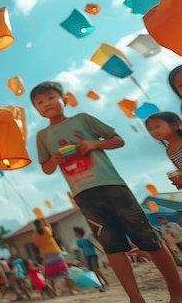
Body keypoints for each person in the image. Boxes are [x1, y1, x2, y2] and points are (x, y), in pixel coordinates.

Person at [30, 81, 182, 303]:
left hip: (112, 185)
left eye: (51, 98)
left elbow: (117, 140)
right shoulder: (43, 136)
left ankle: (176, 290)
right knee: (111, 245)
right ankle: (134, 298)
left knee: (148, 237)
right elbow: (46, 168)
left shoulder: (83, 118)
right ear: (36, 109)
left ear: (64, 99)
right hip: (83, 194)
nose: (46, 104)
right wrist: (54, 159)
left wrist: (93, 145)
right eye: (40, 102)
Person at [31, 219, 76, 295]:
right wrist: (45, 221)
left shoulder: (34, 236)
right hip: (56, 254)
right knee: (65, 273)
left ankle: (55, 292)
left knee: (50, 275)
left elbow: (37, 245)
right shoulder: (47, 230)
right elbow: (49, 227)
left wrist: (35, 230)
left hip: (46, 257)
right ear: (42, 224)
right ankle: (72, 290)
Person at [145, 111, 182, 189]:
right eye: (150, 129)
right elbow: (179, 168)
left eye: (157, 126)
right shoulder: (169, 151)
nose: (153, 131)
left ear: (174, 125)